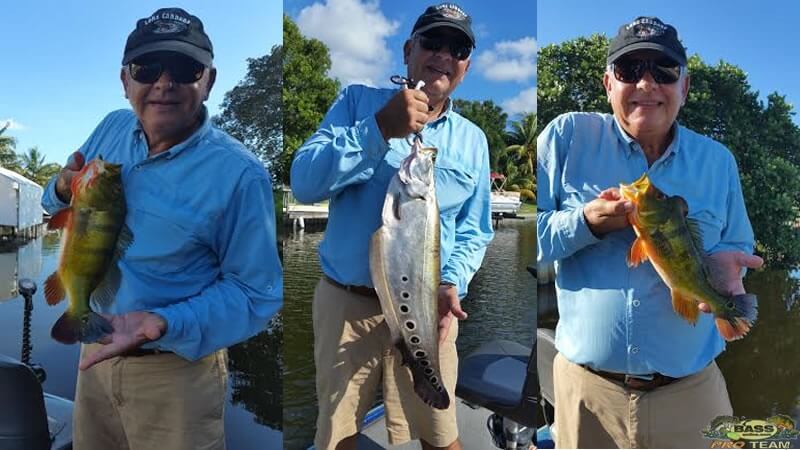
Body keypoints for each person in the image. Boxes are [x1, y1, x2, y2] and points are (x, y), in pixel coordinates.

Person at [41, 8, 282, 450]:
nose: (164, 83)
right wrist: (59, 185)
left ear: (208, 79)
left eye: (185, 69)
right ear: (125, 80)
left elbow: (257, 293)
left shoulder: (242, 174)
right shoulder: (112, 127)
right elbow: (52, 201)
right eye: (147, 68)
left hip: (177, 374)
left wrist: (162, 322)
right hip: (93, 354)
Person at [536, 16, 764, 449]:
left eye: (664, 71)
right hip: (586, 392)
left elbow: (737, 244)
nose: (647, 83)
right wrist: (584, 223)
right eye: (629, 69)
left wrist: (726, 270)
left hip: (692, 392)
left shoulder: (718, 161)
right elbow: (531, 241)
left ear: (685, 86)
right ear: (607, 83)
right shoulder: (566, 137)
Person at [290, 3, 493, 449]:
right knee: (337, 434)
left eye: (456, 48)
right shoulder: (356, 103)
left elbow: (475, 230)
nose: (443, 54)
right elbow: (304, 181)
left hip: (429, 308)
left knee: (441, 432)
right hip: (348, 307)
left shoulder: (472, 140)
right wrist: (379, 127)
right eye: (432, 41)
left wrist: (452, 280)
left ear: (466, 66)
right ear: (408, 50)